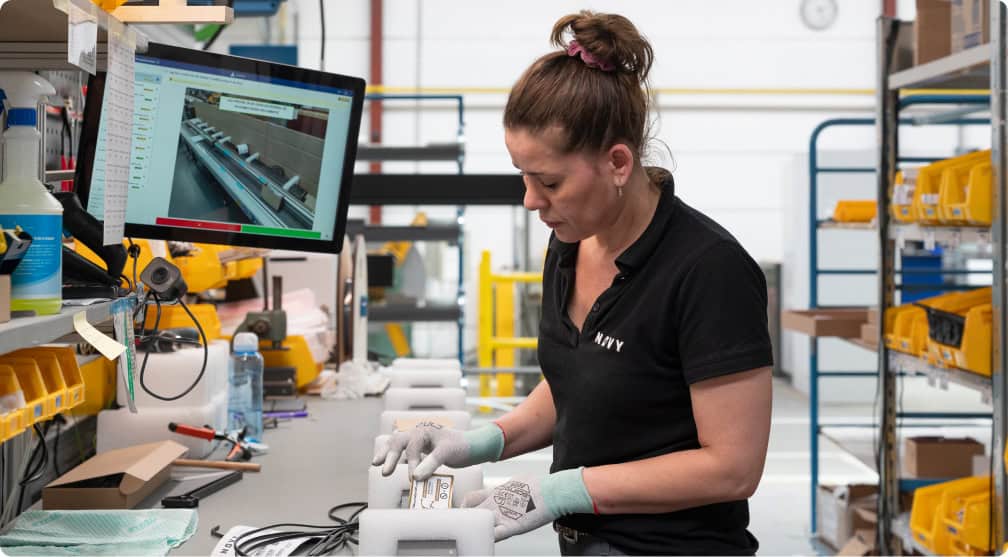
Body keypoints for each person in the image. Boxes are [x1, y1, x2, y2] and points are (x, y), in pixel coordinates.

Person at [373, 10, 773, 556]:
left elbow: (731, 469)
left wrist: (563, 490)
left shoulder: (708, 270)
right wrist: (479, 443)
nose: (530, 201)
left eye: (549, 181)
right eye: (523, 177)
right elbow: (580, 382)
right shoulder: (570, 243)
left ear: (617, 163)